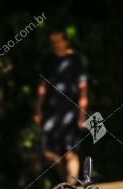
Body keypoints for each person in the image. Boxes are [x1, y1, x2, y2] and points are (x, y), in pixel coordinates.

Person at [34, 30, 88, 180]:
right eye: (53, 42)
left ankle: (71, 186)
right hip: (52, 113)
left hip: (71, 112)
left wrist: (82, 115)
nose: (56, 45)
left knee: (71, 152)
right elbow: (42, 87)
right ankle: (67, 178)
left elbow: (83, 89)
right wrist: (38, 110)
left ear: (66, 42)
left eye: (58, 41)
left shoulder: (76, 60)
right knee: (47, 153)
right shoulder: (48, 61)